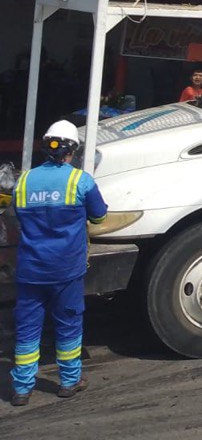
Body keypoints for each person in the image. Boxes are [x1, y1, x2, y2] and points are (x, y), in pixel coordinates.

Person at [10, 120, 108, 406]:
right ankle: (69, 381)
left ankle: (21, 388)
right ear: (72, 150)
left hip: (30, 270)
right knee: (68, 324)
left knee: (27, 329)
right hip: (66, 270)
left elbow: (16, 215)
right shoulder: (80, 180)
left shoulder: (24, 180)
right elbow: (99, 216)